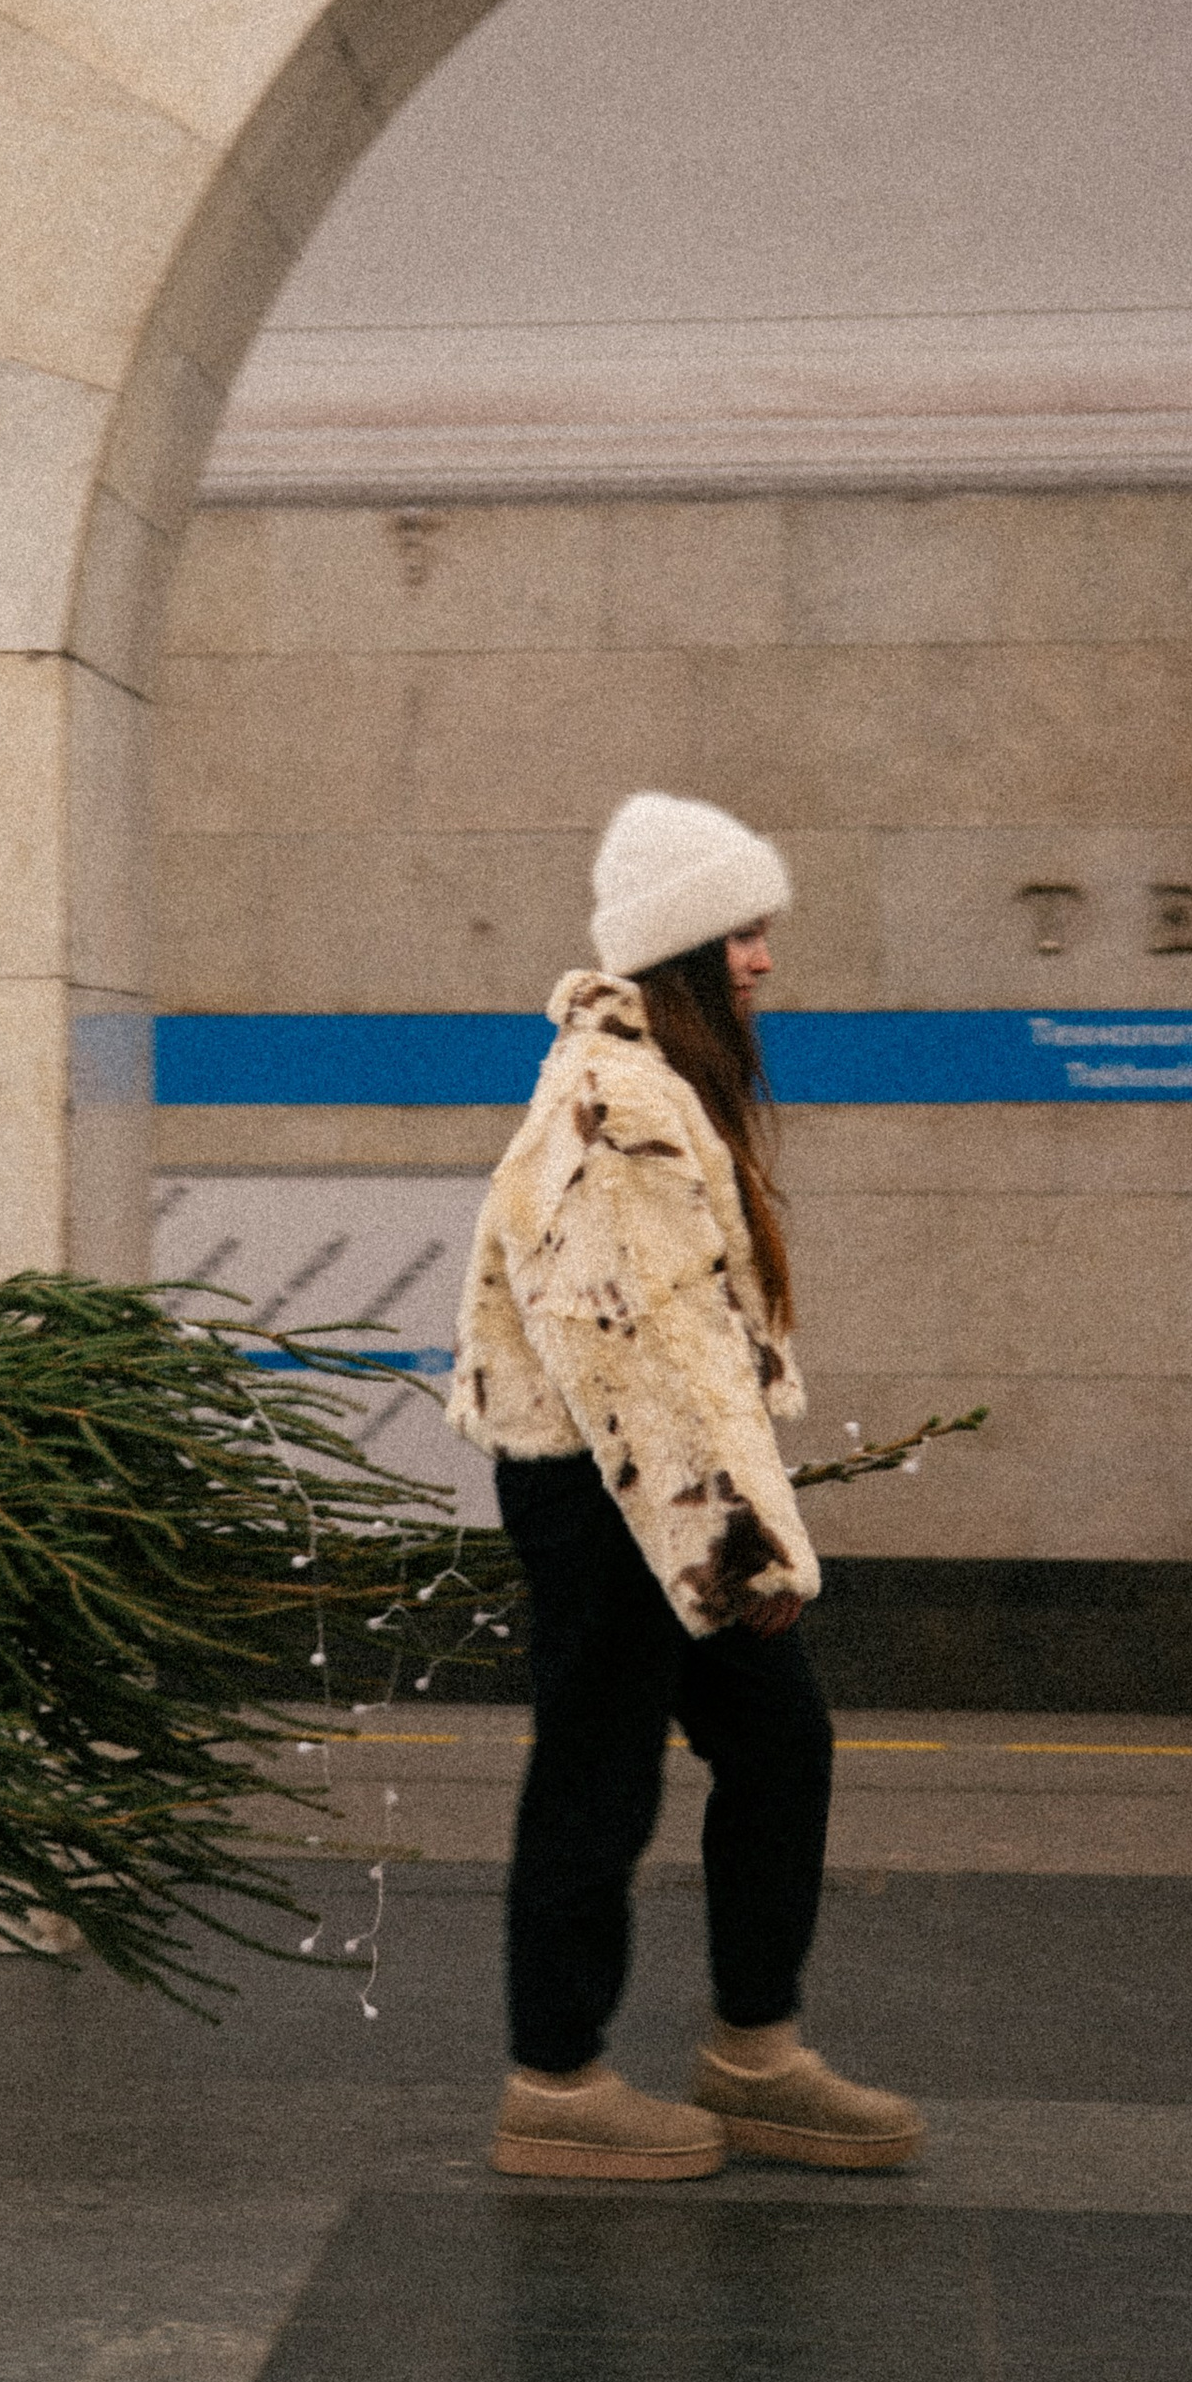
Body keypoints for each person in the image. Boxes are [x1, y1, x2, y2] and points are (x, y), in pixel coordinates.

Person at [449, 789, 921, 2184]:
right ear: (681, 952)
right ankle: (558, 2082)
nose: (765, 958)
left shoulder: (651, 1084)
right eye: (741, 933)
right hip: (616, 1491)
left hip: (645, 1486)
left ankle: (755, 2056)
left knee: (778, 1746)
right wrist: (740, 1552)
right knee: (600, 1773)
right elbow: (639, 1356)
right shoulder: (619, 1104)